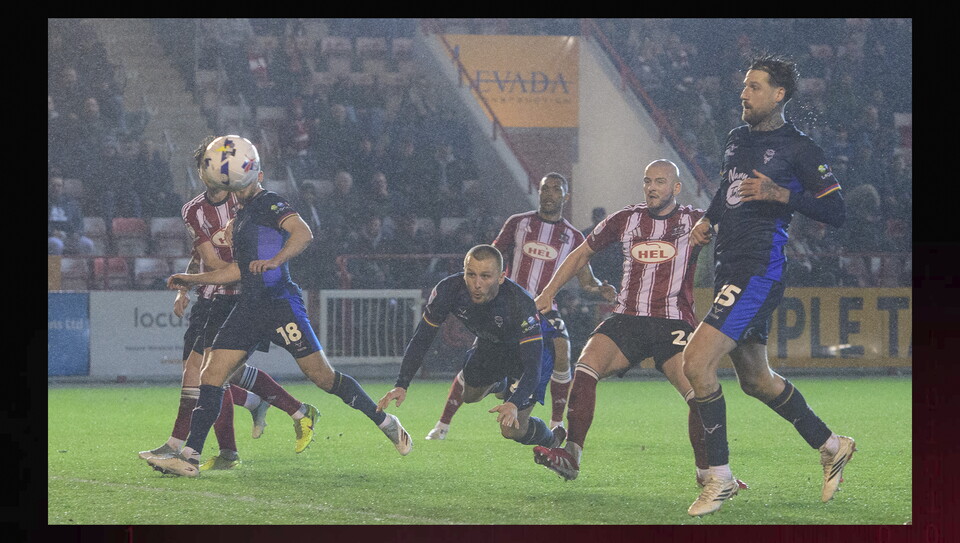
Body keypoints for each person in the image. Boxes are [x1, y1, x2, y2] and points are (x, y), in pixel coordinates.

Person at [146, 136, 412, 477]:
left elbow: (302, 234)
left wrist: (276, 259)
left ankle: (386, 421)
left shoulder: (269, 202)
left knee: (324, 378)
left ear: (254, 172)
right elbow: (236, 271)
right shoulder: (239, 215)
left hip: (280, 304)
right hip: (250, 306)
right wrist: (190, 280)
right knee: (210, 374)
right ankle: (189, 457)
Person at [681, 54, 855, 516]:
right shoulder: (737, 139)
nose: (744, 93)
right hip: (729, 265)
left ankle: (717, 478)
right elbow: (728, 189)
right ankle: (831, 444)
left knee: (695, 362)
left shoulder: (799, 149)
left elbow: (837, 212)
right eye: (744, 85)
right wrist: (708, 219)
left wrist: (782, 195)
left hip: (757, 270)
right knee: (757, 380)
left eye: (755, 86)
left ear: (779, 94)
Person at [529, 160, 747, 493]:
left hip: (672, 322)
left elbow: (737, 228)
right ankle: (571, 454)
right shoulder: (626, 218)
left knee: (699, 395)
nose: (652, 187)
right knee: (585, 367)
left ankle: (708, 473)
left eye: (660, 181)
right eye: (647, 181)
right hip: (627, 319)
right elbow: (580, 253)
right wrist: (548, 290)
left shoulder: (694, 220)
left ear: (675, 188)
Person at [139, 136, 320, 470]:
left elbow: (260, 249)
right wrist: (188, 287)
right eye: (207, 168)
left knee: (202, 373)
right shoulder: (194, 209)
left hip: (243, 297)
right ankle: (257, 426)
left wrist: (234, 273)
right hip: (210, 296)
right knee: (216, 374)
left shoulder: (247, 201)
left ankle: (179, 446)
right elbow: (203, 255)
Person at [423, 173, 614, 441]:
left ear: (565, 197)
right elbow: (490, 257)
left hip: (545, 307)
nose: (549, 193)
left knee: (563, 347)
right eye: (544, 188)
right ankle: (444, 423)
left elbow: (586, 279)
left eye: (555, 189)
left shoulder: (571, 236)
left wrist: (599, 289)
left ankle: (557, 423)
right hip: (507, 307)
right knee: (473, 379)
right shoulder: (518, 223)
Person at [377, 244, 566, 452]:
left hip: (529, 353)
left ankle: (552, 440)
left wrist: (514, 403)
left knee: (511, 430)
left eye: (485, 276)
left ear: (501, 277)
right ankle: (501, 386)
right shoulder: (449, 290)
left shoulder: (518, 303)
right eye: (471, 274)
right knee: (469, 396)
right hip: (491, 345)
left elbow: (533, 367)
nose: (476, 284)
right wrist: (402, 384)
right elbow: (422, 338)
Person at [48, 173, 96, 256]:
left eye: (59, 186)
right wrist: (52, 232)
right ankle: (53, 269)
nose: (56, 188)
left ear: (63, 188)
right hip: (51, 237)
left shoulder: (72, 203)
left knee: (87, 244)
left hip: (70, 237)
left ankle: (81, 267)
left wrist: (77, 233)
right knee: (56, 244)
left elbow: (79, 222)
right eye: (53, 185)